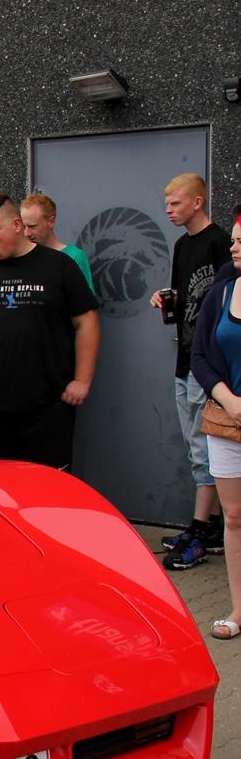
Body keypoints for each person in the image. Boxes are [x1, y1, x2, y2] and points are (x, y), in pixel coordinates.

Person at [0, 193, 100, 469]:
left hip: (48, 405)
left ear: (16, 225)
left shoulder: (59, 266)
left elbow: (87, 322)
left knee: (49, 488)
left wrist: (82, 380)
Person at [153, 173, 233, 569]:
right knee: (194, 445)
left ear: (198, 202)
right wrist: (163, 299)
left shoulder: (219, 242)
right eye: (167, 204)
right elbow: (181, 298)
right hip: (184, 358)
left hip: (209, 366)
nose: (169, 210)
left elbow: (223, 302)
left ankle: (203, 526)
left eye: (175, 203)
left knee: (205, 449)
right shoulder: (182, 245)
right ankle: (210, 524)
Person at [189, 210, 241, 636]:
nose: (233, 246)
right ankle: (239, 609)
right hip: (228, 422)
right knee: (235, 517)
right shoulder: (223, 289)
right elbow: (200, 356)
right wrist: (228, 399)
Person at [20, 193, 94, 292]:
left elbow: (87, 305)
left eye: (33, 226)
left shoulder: (74, 257)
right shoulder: (21, 258)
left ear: (51, 222)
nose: (26, 233)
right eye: (24, 227)